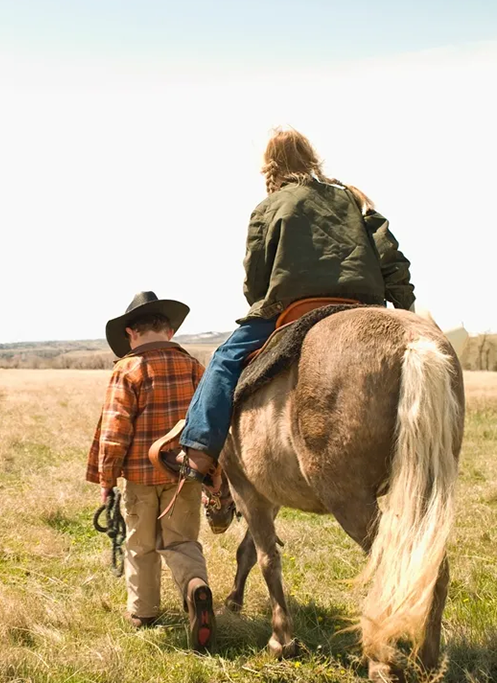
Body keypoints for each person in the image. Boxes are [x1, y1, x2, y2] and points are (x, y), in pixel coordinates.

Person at [177, 127, 416, 483]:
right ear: (311, 158)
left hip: (295, 309)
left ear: (270, 167)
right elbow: (390, 256)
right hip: (362, 306)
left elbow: (255, 276)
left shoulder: (269, 206)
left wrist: (262, 303)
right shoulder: (353, 198)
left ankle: (198, 450)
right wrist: (404, 310)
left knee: (224, 360)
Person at [86, 291, 216, 651]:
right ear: (169, 332)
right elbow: (210, 422)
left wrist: (106, 481)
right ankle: (195, 588)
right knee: (182, 542)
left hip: (141, 479)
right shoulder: (193, 366)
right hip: (185, 477)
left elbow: (115, 431)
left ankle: (144, 613)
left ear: (131, 334)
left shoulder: (128, 369)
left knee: (140, 546)